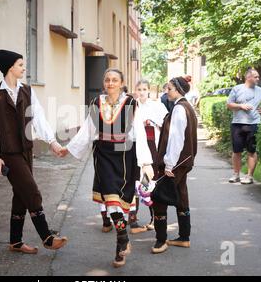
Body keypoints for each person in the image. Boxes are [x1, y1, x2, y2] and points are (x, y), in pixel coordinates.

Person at [59, 69, 154, 268]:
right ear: (104, 83)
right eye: (107, 80)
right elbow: (87, 131)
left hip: (124, 155)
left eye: (115, 80)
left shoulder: (131, 103)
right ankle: (122, 239)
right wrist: (68, 148)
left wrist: (145, 162)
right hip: (102, 155)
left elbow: (139, 133)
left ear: (121, 83)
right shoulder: (95, 103)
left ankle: (121, 242)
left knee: (120, 202)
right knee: (111, 202)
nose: (110, 83)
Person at [0, 49, 68, 255]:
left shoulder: (28, 91)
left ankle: (15, 241)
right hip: (9, 153)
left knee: (21, 195)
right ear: (10, 67)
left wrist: (52, 142)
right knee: (31, 191)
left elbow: (39, 118)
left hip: (26, 150)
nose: (24, 68)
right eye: (21, 64)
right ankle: (47, 237)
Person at [151, 76, 197, 254]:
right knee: (180, 195)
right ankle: (184, 237)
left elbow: (177, 138)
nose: (166, 91)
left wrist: (168, 165)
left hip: (175, 163)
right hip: (184, 162)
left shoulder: (179, 108)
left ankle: (160, 240)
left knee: (159, 198)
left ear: (177, 89)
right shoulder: (187, 107)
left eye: (168, 88)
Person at [131, 79, 168, 232]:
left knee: (149, 183)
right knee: (135, 183)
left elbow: (166, 123)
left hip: (152, 149)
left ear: (149, 91)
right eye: (139, 89)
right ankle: (133, 218)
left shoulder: (157, 105)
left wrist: (151, 121)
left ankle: (154, 217)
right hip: (136, 148)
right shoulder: (132, 106)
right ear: (135, 91)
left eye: (144, 89)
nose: (141, 92)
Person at [226, 68, 261, 184]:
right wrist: (241, 106)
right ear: (248, 77)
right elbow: (229, 105)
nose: (258, 78)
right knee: (236, 151)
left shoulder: (260, 91)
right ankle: (236, 174)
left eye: (258, 77)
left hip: (254, 124)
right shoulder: (237, 89)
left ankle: (249, 176)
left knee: (251, 151)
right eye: (256, 77)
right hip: (237, 124)